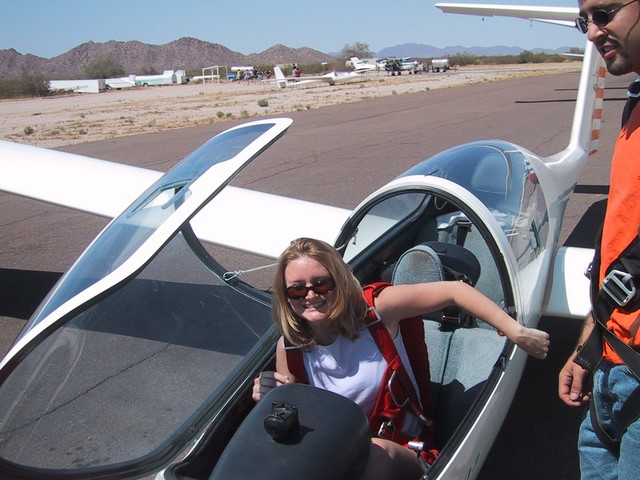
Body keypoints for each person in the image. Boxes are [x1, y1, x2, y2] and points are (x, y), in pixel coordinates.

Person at [253, 237, 550, 480]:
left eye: (321, 284)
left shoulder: (376, 311)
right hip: (338, 456)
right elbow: (297, 421)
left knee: (373, 455)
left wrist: (517, 331)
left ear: (339, 282)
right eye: (297, 289)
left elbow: (455, 291)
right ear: (286, 295)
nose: (310, 295)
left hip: (400, 450)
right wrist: (270, 397)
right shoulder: (290, 349)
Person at [558, 1, 640, 479]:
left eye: (605, 13)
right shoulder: (635, 107)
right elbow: (624, 248)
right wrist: (588, 347)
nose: (592, 33)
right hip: (612, 365)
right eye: (583, 20)